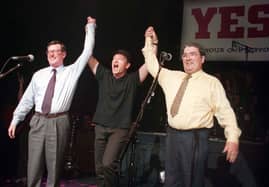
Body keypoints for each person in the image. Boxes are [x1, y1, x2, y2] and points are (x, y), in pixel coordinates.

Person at [142, 29, 242, 187]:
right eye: (185, 55)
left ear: (202, 59)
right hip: (173, 136)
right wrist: (151, 41)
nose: (188, 58)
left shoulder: (211, 82)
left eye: (193, 54)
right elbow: (152, 64)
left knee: (192, 182)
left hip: (195, 138)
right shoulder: (171, 77)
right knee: (171, 181)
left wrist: (232, 138)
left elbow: (225, 111)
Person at [7, 16, 96, 187]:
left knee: (54, 167)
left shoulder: (71, 71)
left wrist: (90, 27)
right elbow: (27, 100)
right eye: (50, 52)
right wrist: (15, 119)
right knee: (33, 167)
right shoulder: (39, 75)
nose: (52, 54)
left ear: (64, 54)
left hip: (59, 121)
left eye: (56, 51)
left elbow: (87, 52)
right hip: (38, 120)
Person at [87, 27, 158, 187]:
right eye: (114, 59)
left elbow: (150, 62)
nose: (115, 61)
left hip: (119, 129)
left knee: (107, 164)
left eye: (120, 59)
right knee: (99, 168)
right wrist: (89, 31)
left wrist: (152, 41)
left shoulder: (132, 80)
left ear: (127, 65)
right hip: (100, 126)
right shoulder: (104, 75)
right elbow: (88, 56)